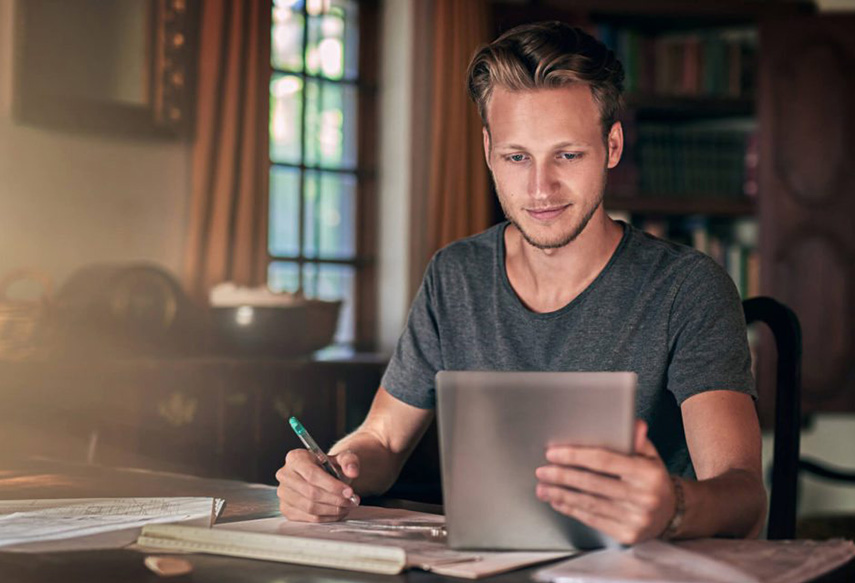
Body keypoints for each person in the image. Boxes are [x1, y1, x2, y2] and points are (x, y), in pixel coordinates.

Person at [276, 21, 766, 543]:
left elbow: (741, 492)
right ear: (488, 151)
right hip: (486, 582)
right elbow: (384, 440)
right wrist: (332, 471)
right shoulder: (454, 275)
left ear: (613, 146)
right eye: (516, 157)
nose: (540, 189)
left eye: (568, 155)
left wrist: (672, 506)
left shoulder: (688, 288)